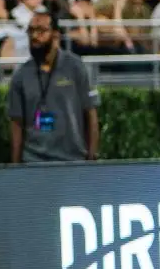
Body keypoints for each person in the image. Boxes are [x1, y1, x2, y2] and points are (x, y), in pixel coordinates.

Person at [8, 10, 99, 164]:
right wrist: (16, 166)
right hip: (33, 162)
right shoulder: (21, 75)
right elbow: (17, 123)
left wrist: (92, 157)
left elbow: (90, 113)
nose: (35, 36)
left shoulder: (76, 67)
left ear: (56, 35)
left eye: (41, 30)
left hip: (73, 161)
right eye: (31, 31)